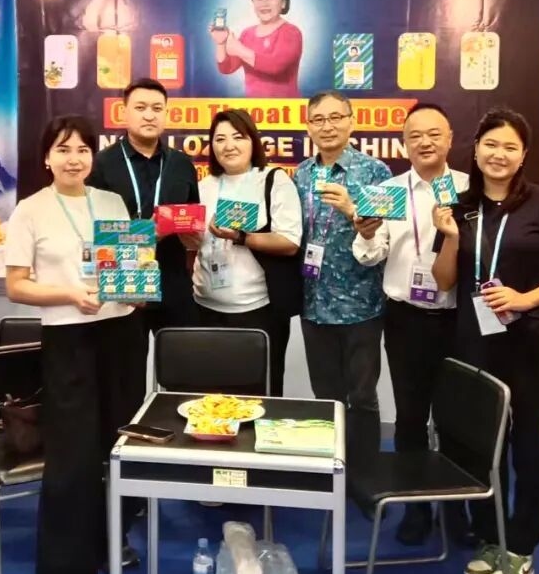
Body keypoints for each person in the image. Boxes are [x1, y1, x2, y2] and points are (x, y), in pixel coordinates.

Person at [432, 107, 539, 574]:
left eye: (510, 147)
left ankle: (521, 546)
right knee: (479, 443)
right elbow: (444, 280)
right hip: (474, 339)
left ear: (523, 156)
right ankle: (488, 536)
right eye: (491, 144)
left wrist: (525, 298)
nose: (499, 155)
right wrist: (451, 239)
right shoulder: (458, 206)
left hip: (532, 339)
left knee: (532, 448)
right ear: (476, 149)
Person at [5, 115, 143, 574]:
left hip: (120, 334)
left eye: (83, 149)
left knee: (118, 444)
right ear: (47, 157)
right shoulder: (30, 210)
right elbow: (17, 285)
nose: (74, 158)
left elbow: (128, 270)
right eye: (63, 149)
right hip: (68, 339)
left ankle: (109, 541)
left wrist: (137, 287)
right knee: (71, 455)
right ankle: (63, 572)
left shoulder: (112, 202)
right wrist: (68, 293)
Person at [353, 103, 469, 545]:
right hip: (407, 319)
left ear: (450, 138)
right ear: (404, 143)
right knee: (410, 417)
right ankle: (416, 508)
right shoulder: (387, 192)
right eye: (415, 135)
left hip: (460, 318)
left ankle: (458, 509)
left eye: (434, 134)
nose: (425, 142)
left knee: (458, 418)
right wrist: (366, 232)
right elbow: (371, 255)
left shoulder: (471, 189)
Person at [294, 91, 391, 469]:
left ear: (351, 121)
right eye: (318, 119)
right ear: (308, 127)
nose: (328, 126)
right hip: (314, 302)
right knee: (325, 396)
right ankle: (330, 470)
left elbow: (384, 239)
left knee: (362, 396)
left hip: (361, 303)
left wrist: (354, 210)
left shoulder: (375, 172)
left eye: (336, 117)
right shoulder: (302, 173)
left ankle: (365, 474)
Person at [192, 110, 302, 396]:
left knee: (260, 397)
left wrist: (241, 237)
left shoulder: (273, 180)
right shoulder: (202, 187)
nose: (229, 146)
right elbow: (193, 244)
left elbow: (290, 242)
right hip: (205, 308)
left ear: (253, 140)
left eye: (238, 137)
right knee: (212, 398)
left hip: (258, 311)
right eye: (220, 139)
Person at [90, 77, 200, 345]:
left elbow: (192, 221)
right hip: (122, 283)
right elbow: (93, 232)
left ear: (166, 113)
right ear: (124, 112)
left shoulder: (182, 164)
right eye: (140, 108)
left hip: (173, 282)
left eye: (157, 108)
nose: (149, 115)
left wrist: (194, 237)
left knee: (181, 362)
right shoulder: (101, 164)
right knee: (126, 366)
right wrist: (146, 234)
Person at [212, 0, 303, 98]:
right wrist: (220, 44)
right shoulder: (247, 34)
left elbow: (275, 66)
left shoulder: (291, 32)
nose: (264, 4)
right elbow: (227, 68)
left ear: (283, 2)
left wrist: (239, 50)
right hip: (254, 108)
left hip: (285, 108)